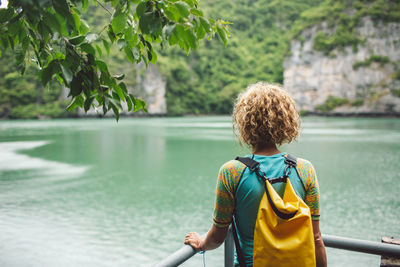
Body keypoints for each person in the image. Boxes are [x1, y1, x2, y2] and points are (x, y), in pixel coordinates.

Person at [184, 82, 327, 267]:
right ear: (286, 120)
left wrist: (201, 242)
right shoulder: (305, 169)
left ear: (245, 122)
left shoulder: (231, 172)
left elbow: (218, 235)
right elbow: (316, 239)